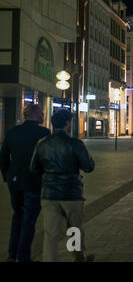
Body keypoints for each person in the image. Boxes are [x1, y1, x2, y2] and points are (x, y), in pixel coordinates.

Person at [30, 110, 95, 262]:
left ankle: (49, 259)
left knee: (50, 233)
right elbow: (88, 167)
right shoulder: (75, 144)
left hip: (49, 194)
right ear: (67, 123)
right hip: (71, 192)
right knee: (74, 229)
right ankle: (78, 257)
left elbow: (33, 168)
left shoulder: (42, 143)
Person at [0, 104, 50, 262]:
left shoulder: (12, 131)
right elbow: (46, 158)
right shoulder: (44, 133)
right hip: (33, 180)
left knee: (18, 216)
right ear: (36, 114)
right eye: (42, 112)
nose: (43, 114)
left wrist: (7, 176)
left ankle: (12, 254)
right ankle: (23, 257)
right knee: (29, 218)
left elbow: (3, 157)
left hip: (14, 180)